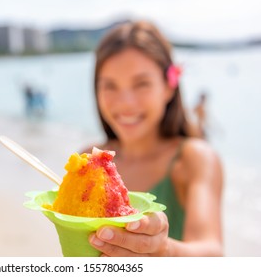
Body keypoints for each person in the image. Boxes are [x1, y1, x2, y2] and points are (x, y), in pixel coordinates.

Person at [85, 21, 223, 256]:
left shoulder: (194, 158)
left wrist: (164, 251)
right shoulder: (88, 162)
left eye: (142, 84)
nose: (125, 103)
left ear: (169, 87)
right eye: (110, 86)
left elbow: (213, 253)